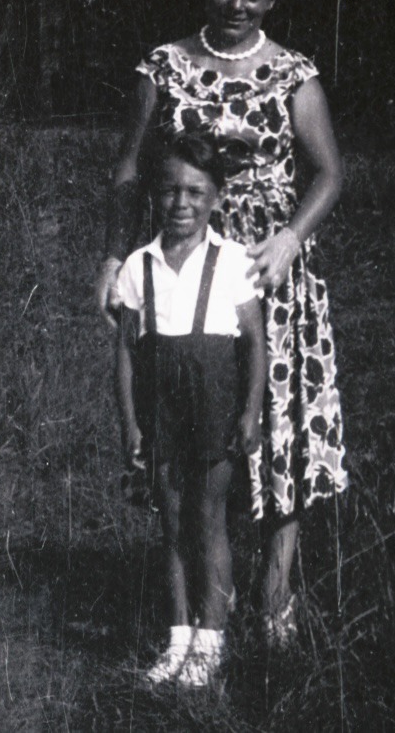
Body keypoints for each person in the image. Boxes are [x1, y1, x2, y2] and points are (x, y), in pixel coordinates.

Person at [98, 0, 349, 646]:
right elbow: (128, 170)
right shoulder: (165, 67)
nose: (237, 5)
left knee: (275, 417)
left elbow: (330, 172)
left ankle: (276, 592)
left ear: (272, 0)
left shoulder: (293, 73)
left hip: (268, 271)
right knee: (190, 418)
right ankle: (211, 595)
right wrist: (113, 258)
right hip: (183, 264)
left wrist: (291, 238)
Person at [116, 133, 265, 688]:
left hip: (214, 406)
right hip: (162, 412)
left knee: (209, 520)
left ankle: (211, 640)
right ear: (155, 195)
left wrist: (250, 412)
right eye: (170, 190)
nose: (181, 203)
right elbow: (125, 354)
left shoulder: (234, 262)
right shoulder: (139, 266)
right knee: (173, 521)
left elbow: (256, 343)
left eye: (196, 192)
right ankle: (178, 637)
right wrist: (130, 424)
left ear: (217, 198)